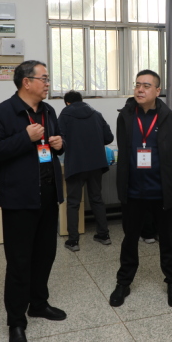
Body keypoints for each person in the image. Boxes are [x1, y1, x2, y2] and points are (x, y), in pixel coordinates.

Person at [0, 60, 66, 342]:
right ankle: (16, 321)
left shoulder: (49, 111)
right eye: (44, 78)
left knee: (45, 255)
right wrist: (24, 137)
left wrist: (60, 145)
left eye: (48, 78)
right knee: (19, 262)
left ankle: (38, 304)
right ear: (26, 82)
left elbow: (54, 144)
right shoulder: (1, 113)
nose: (48, 83)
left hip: (48, 195)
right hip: (19, 200)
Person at [109, 69, 172, 308]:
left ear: (157, 91)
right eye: (137, 85)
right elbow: (124, 150)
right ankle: (123, 282)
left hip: (161, 192)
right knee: (129, 240)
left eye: (146, 85)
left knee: (168, 240)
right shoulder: (125, 116)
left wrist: (163, 173)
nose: (140, 89)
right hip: (132, 192)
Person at [58, 90, 114, 252]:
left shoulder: (65, 115)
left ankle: (73, 241)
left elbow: (59, 141)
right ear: (81, 100)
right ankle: (104, 235)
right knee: (96, 198)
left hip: (76, 165)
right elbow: (109, 138)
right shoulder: (96, 114)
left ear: (67, 103)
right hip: (96, 164)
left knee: (73, 202)